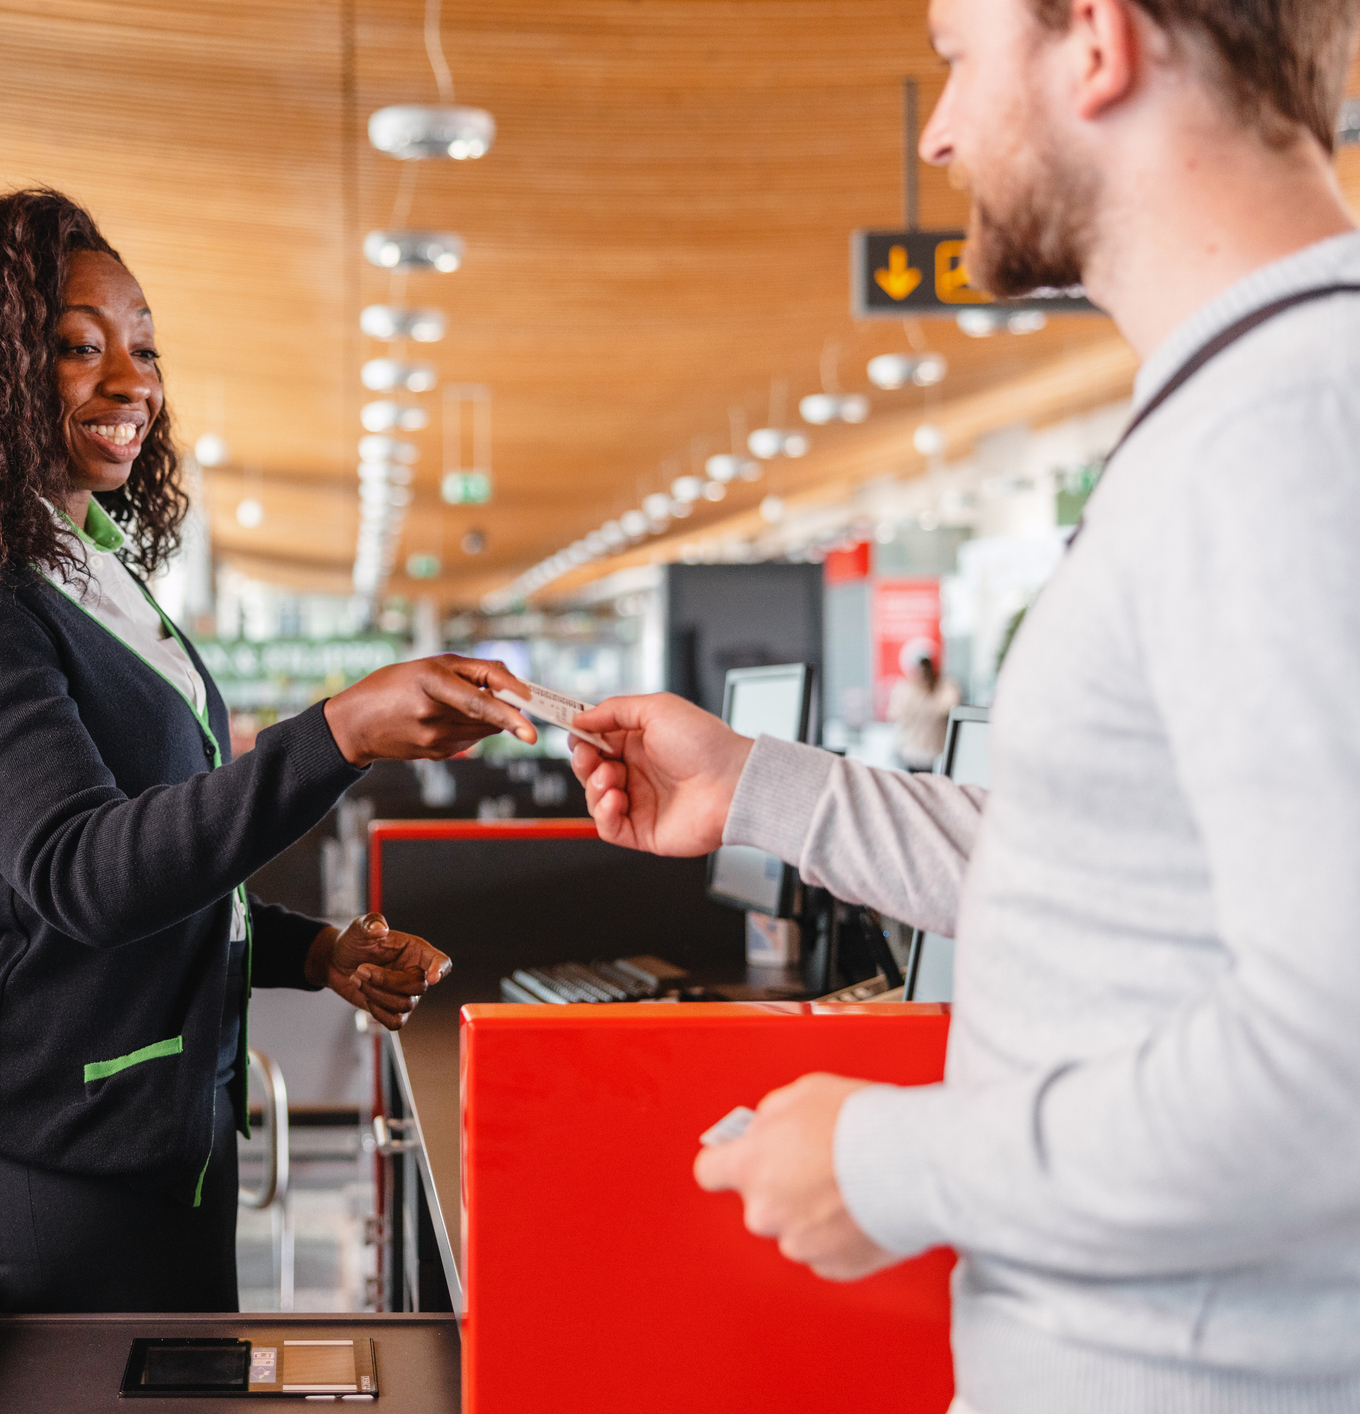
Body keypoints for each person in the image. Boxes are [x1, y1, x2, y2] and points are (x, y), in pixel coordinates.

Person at [569, 0, 1360, 1408]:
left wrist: (889, 1162)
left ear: (1096, 42)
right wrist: (756, 785)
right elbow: (1107, 874)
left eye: (955, 55)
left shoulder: (1285, 433)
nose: (935, 133)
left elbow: (1334, 1068)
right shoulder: (1243, 415)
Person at [0, 189, 537, 1314]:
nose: (129, 381)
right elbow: (79, 871)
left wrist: (310, 950)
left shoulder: (87, 561)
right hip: (54, 1147)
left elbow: (157, 844)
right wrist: (337, 733)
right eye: (76, 347)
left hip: (156, 1122)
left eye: (142, 349)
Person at [888, 640, 960, 770]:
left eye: (926, 667)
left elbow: (950, 707)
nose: (923, 672)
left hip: (936, 756)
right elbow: (894, 715)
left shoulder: (945, 688)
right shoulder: (905, 689)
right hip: (910, 755)